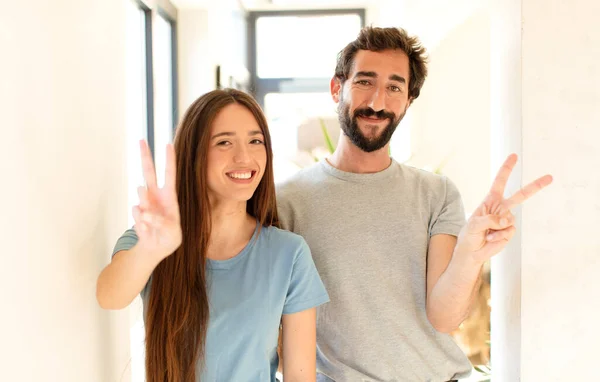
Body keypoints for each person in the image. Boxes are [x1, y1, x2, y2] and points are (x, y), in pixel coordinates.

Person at [276, 26, 553, 381]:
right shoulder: (288, 201)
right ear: (336, 88)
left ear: (408, 101)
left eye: (394, 87)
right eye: (364, 81)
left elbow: (444, 317)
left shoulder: (436, 193)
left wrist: (470, 253)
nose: (378, 102)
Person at [96, 89, 329, 382]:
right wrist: (152, 250)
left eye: (255, 141)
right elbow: (109, 296)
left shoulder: (289, 253)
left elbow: (299, 376)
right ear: (194, 154)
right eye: (224, 142)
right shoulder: (153, 239)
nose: (244, 157)